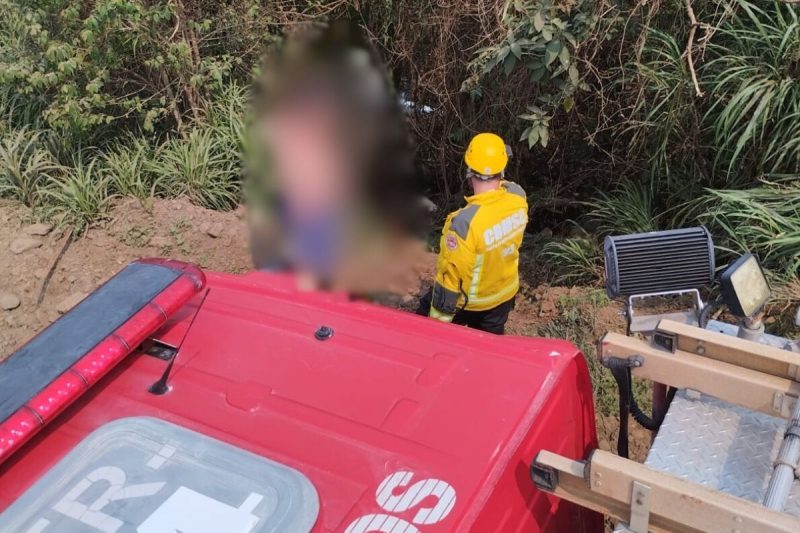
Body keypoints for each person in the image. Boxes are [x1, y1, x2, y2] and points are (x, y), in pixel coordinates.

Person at [417, 133, 528, 334]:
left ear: (469, 171)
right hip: (503, 297)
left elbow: (450, 281)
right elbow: (508, 187)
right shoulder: (518, 199)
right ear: (502, 170)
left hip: (469, 304)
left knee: (418, 321)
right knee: (488, 349)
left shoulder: (463, 224)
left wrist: (436, 327)